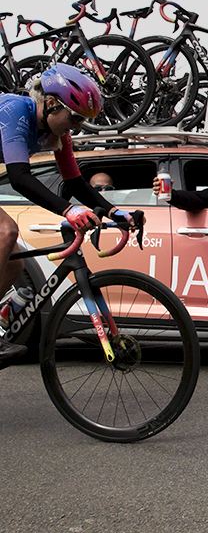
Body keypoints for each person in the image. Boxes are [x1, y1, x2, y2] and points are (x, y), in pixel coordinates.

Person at [0, 64, 137, 362]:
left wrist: (115, 212)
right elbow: (20, 178)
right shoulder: (15, 110)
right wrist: (69, 210)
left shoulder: (56, 132)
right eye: (74, 117)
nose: (76, 126)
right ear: (51, 103)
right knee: (6, 232)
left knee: (13, 269)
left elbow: (74, 181)